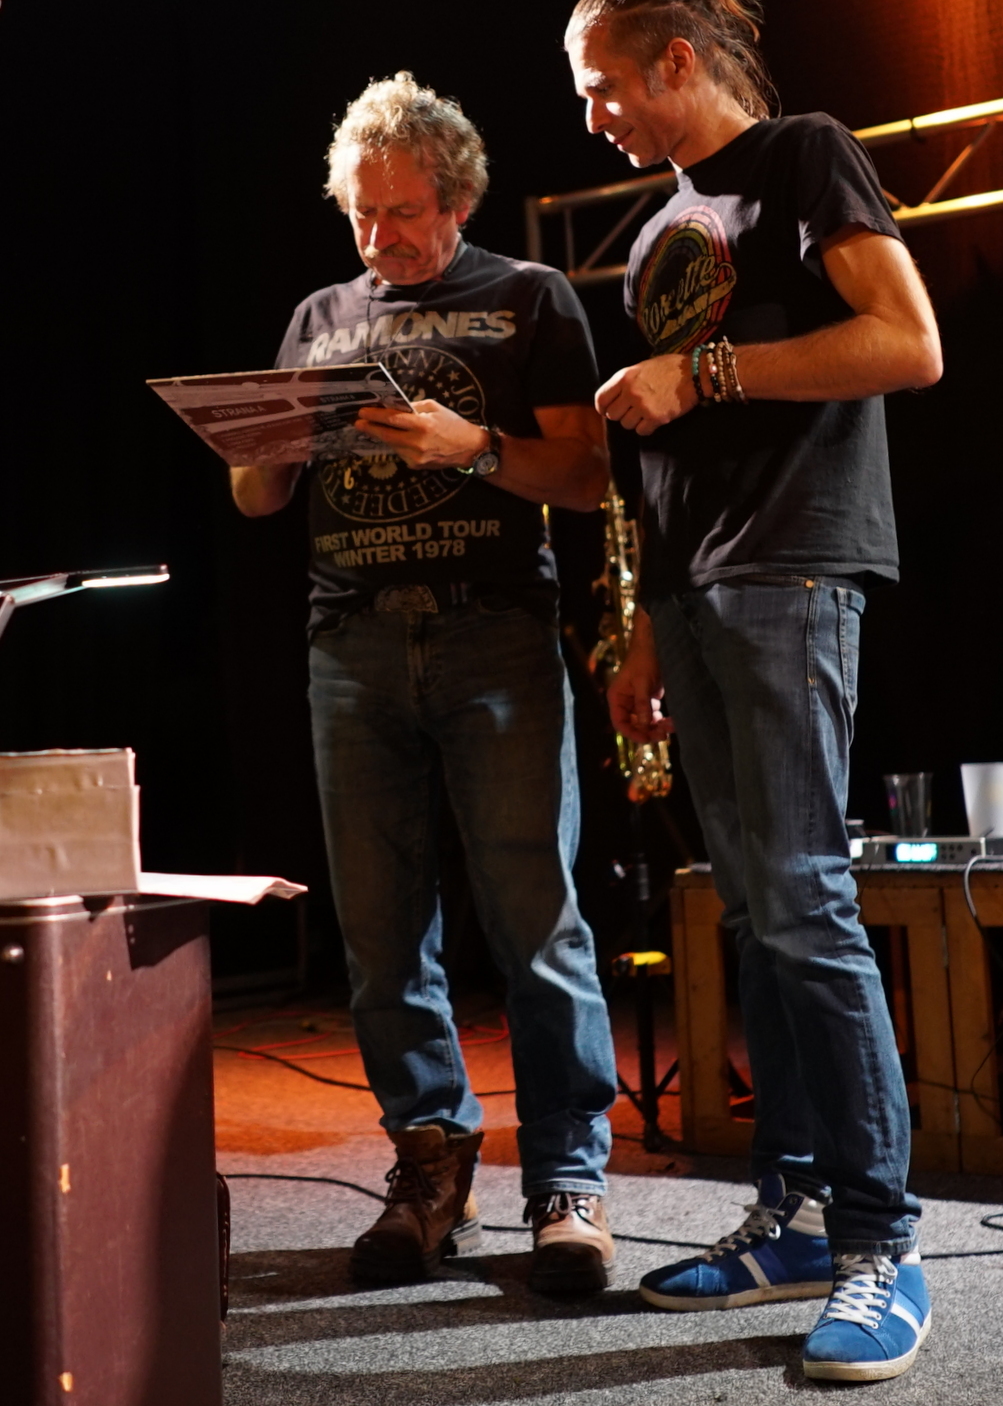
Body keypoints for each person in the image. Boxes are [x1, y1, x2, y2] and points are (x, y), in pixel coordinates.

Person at [565, 0, 943, 1382]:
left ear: (676, 60)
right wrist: (642, 628)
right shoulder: (661, 229)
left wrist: (705, 372)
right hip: (698, 590)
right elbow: (661, 462)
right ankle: (790, 1213)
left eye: (603, 84)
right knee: (752, 911)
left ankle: (880, 1243)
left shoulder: (803, 156)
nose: (592, 114)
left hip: (793, 567)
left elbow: (907, 342)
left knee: (802, 897)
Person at [231, 71, 617, 1295]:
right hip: (350, 640)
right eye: (361, 213)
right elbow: (257, 497)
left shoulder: (529, 296)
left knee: (534, 919)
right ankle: (430, 1166)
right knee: (381, 931)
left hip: (492, 631)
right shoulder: (318, 314)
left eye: (402, 212)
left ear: (457, 200)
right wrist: (264, 442)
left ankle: (568, 1180)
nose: (379, 237)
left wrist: (476, 448)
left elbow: (589, 477)